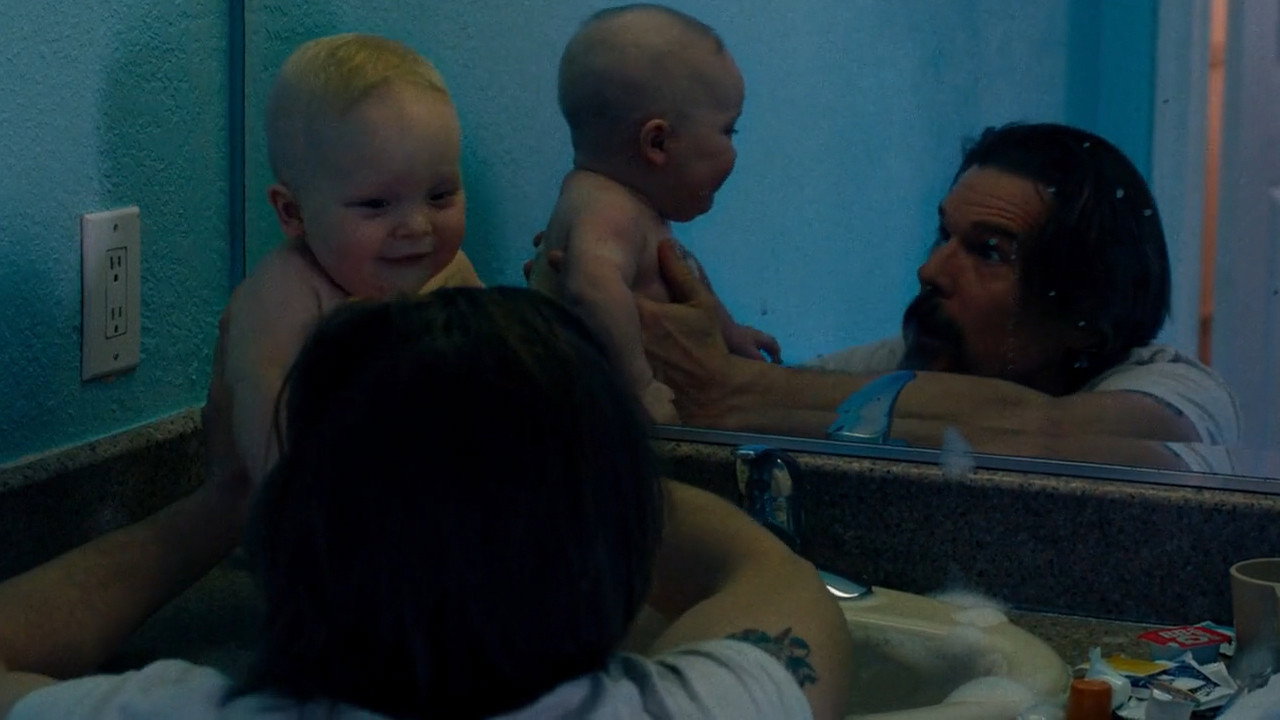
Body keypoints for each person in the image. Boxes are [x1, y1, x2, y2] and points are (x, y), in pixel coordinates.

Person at [0, 288, 854, 720]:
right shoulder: (693, 707)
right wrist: (565, 461)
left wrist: (228, 498)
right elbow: (761, 569)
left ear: (300, 539)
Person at [636, 123, 1242, 473]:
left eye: (988, 252)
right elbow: (769, 399)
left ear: (1084, 314)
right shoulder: (909, 360)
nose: (931, 270)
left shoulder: (1178, 391)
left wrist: (731, 389)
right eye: (944, 234)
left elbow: (1042, 434)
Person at [205, 33, 484, 485]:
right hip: (298, 511)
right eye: (376, 204)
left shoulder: (451, 273)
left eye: (440, 195)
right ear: (293, 213)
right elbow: (270, 451)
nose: (418, 226)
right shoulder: (285, 297)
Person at [527, 4, 780, 424]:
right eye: (728, 130)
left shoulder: (635, 205)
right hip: (591, 423)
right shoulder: (606, 208)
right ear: (658, 143)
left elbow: (686, 278)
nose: (734, 149)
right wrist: (640, 387)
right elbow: (592, 289)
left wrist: (728, 335)